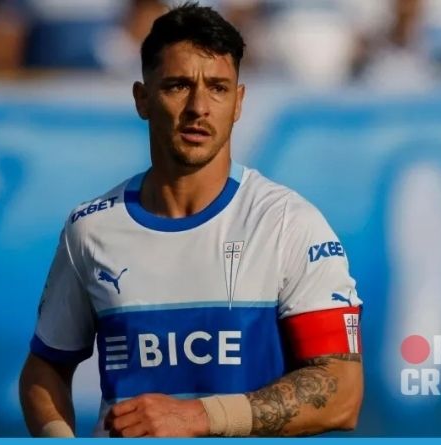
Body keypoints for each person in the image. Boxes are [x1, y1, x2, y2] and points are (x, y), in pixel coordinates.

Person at [18, 2, 364, 438]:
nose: (199, 106)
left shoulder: (289, 224)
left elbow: (342, 393)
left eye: (218, 88)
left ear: (238, 102)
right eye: (178, 85)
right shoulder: (90, 228)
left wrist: (198, 416)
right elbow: (45, 367)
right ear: (142, 98)